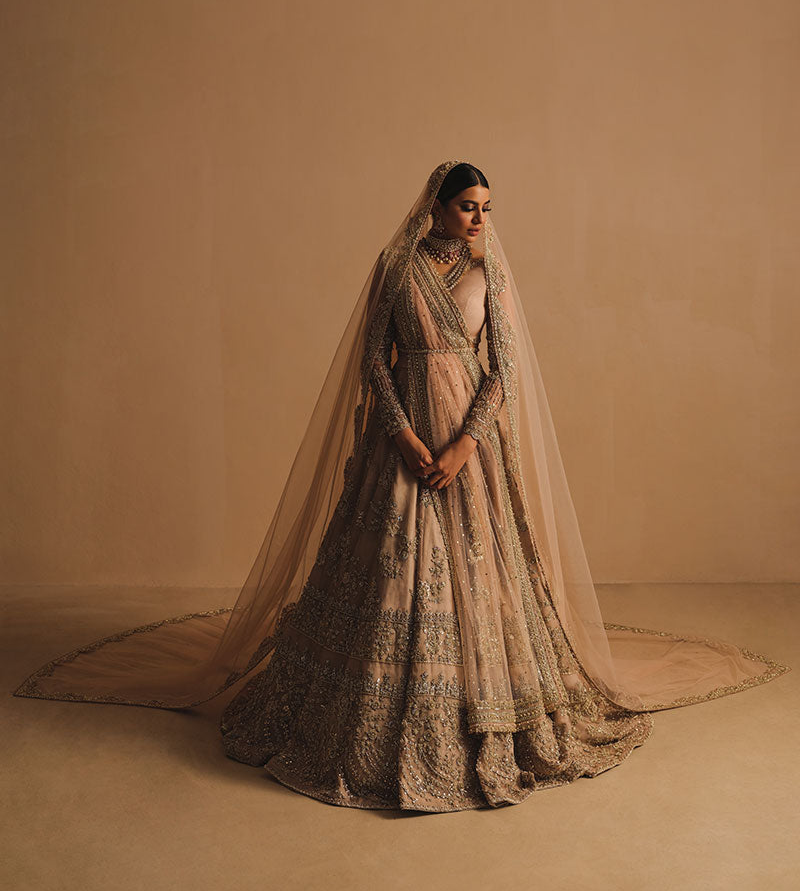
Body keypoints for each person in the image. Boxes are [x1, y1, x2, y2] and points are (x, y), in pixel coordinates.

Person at [13, 160, 788, 813]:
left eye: (487, 208)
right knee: (387, 567)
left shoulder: (493, 277)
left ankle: (477, 718)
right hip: (402, 441)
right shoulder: (396, 268)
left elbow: (502, 375)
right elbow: (375, 363)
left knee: (476, 578)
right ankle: (368, 720)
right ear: (438, 207)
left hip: (466, 448)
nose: (479, 219)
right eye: (467, 206)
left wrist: (459, 449)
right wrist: (410, 439)